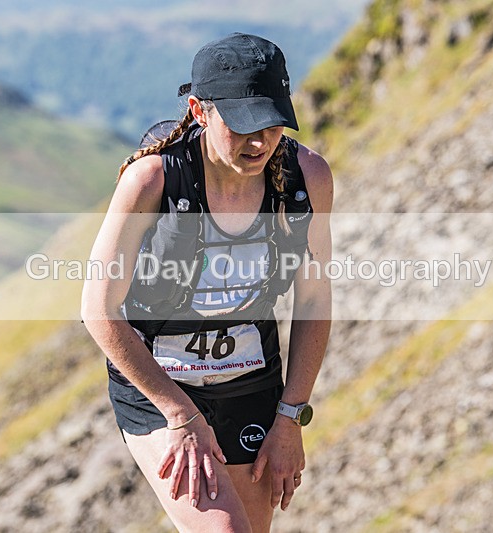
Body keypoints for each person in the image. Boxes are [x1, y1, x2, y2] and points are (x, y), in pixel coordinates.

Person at [81, 32, 332, 532]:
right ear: (199, 111)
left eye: (272, 124)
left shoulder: (307, 179)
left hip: (252, 385)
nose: (259, 142)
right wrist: (180, 414)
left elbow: (314, 299)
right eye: (241, 126)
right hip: (161, 386)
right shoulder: (153, 180)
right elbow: (99, 311)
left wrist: (290, 416)